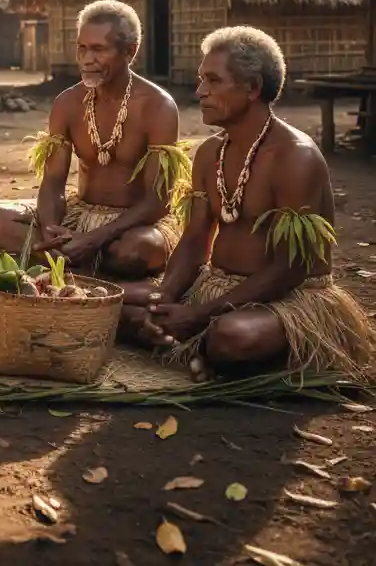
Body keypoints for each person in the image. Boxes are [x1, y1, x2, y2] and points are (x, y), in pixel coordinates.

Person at [126, 26, 375, 380]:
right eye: (201, 80)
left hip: (288, 297)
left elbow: (290, 267)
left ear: (253, 88)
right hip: (218, 289)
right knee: (123, 310)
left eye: (213, 81)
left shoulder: (294, 157)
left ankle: (241, 350)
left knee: (232, 337)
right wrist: (165, 296)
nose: (200, 92)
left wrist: (201, 315)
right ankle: (202, 345)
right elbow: (196, 239)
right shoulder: (209, 152)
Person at [0, 0, 186, 280]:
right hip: (77, 217)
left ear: (129, 51)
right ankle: (78, 267)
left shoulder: (157, 107)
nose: (88, 59)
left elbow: (157, 201)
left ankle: (74, 270)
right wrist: (52, 232)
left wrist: (95, 238)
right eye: (82, 48)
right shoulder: (67, 103)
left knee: (139, 251)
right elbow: (53, 182)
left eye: (99, 49)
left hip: (130, 228)